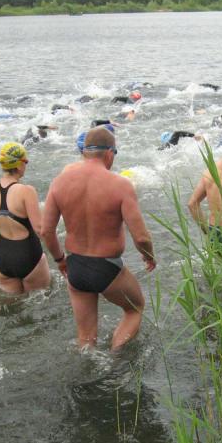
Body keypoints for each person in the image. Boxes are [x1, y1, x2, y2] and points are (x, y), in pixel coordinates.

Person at [41, 126, 156, 350]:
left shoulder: (59, 182)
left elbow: (46, 231)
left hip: (75, 266)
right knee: (135, 309)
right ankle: (115, 359)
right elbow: (141, 237)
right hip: (107, 267)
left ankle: (89, 366)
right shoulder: (120, 185)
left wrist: (60, 260)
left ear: (85, 151)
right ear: (109, 153)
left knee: (85, 339)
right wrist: (149, 256)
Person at [0, 142, 50, 294]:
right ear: (19, 164)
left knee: (11, 303)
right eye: (26, 161)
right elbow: (39, 229)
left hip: (2, 255)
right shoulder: (27, 191)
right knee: (40, 301)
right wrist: (57, 254)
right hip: (28, 254)